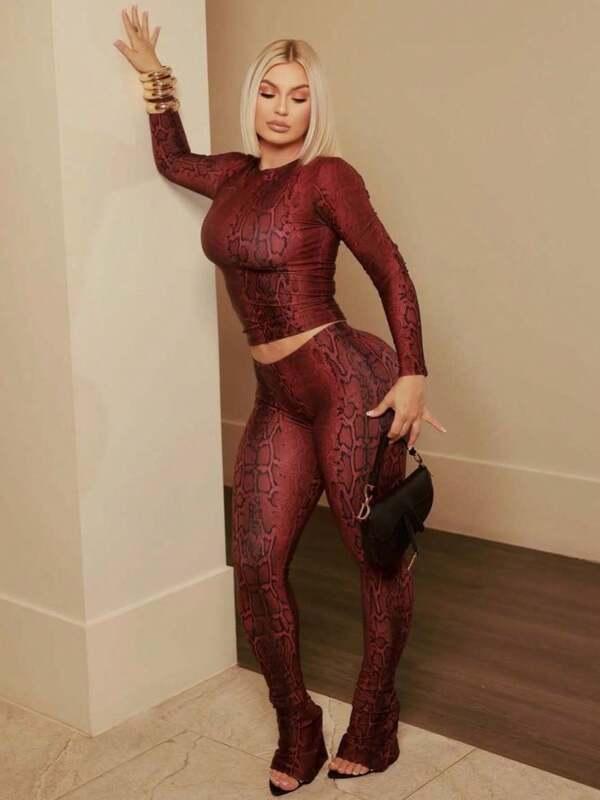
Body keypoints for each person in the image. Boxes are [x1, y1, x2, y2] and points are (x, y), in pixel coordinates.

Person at [114, 5, 446, 795]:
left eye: (299, 96)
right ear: (253, 97)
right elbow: (172, 160)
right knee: (257, 564)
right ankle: (297, 723)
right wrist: (156, 82)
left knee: (374, 551)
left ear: (314, 105)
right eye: (270, 91)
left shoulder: (328, 177)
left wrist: (413, 372)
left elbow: (390, 269)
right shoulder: (233, 176)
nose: (282, 108)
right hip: (279, 396)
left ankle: (376, 717)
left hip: (345, 385)